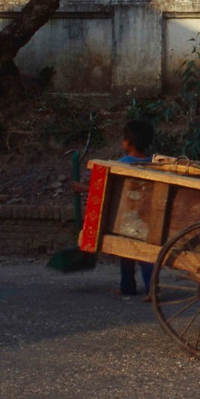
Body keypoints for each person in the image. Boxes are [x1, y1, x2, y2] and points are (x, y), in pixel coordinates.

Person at [72, 119, 156, 300]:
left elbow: (104, 188)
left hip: (127, 217)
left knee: (127, 252)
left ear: (128, 142)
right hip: (148, 216)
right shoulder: (154, 164)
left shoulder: (121, 164)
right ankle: (148, 288)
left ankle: (129, 287)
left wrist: (82, 188)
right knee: (146, 255)